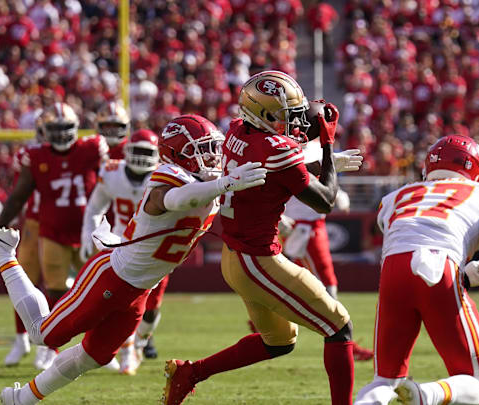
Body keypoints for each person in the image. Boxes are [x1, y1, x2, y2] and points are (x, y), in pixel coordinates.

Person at [0, 114, 267, 405]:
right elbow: (177, 199)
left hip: (141, 288)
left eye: (213, 148)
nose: (213, 156)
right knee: (43, 334)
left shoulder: (208, 182)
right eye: (202, 150)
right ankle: (5, 252)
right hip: (113, 275)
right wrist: (225, 183)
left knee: (93, 357)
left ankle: (22, 398)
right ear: (178, 153)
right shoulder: (169, 176)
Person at [162, 70, 364, 405]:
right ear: (263, 114)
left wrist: (312, 158)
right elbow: (325, 200)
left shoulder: (237, 130)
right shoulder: (274, 146)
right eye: (284, 116)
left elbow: (274, 171)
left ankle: (189, 373)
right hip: (258, 260)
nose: (294, 123)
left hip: (237, 257)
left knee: (279, 341)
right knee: (338, 326)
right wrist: (327, 147)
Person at [354, 135, 479, 405]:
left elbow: (410, 244)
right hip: (440, 265)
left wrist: (461, 276)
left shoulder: (395, 197)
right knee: (476, 383)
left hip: (393, 272)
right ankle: (425, 395)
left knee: (384, 380)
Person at [0, 102, 109, 370]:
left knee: (105, 289)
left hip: (89, 231)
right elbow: (17, 197)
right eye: (54, 129)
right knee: (55, 290)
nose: (60, 135)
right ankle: (50, 346)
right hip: (50, 230)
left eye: (65, 128)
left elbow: (114, 180)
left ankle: (108, 344)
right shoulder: (35, 156)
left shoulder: (92, 148)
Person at [282, 141, 373, 361]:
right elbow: (279, 183)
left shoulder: (315, 147)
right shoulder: (282, 147)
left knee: (302, 283)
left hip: (315, 223)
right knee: (323, 283)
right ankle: (343, 338)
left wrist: (338, 193)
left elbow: (324, 178)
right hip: (299, 226)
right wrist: (278, 215)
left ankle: (265, 321)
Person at [80, 128, 161, 374]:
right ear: (126, 151)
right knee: (116, 301)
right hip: (120, 243)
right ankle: (122, 350)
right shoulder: (112, 173)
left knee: (151, 307)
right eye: (135, 150)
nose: (139, 156)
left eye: (145, 152)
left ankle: (139, 344)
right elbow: (95, 206)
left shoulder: (164, 176)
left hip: (155, 248)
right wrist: (88, 235)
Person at [5, 114, 51, 369]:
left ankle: (51, 346)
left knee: (60, 284)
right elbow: (19, 191)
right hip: (34, 221)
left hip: (63, 224)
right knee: (23, 280)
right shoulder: (28, 154)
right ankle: (21, 338)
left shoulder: (74, 152)